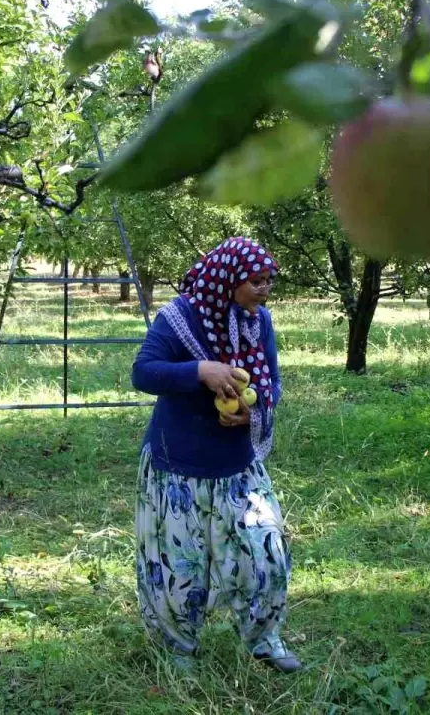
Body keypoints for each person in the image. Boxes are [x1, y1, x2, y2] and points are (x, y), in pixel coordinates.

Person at [130, 237, 299, 673]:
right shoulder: (177, 317)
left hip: (236, 465)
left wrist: (252, 409)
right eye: (255, 281)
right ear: (227, 280)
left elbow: (273, 382)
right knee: (177, 564)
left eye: (268, 281)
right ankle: (177, 649)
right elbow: (143, 372)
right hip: (177, 465)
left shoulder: (258, 322)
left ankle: (265, 639)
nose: (264, 290)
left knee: (264, 553)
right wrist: (200, 371)